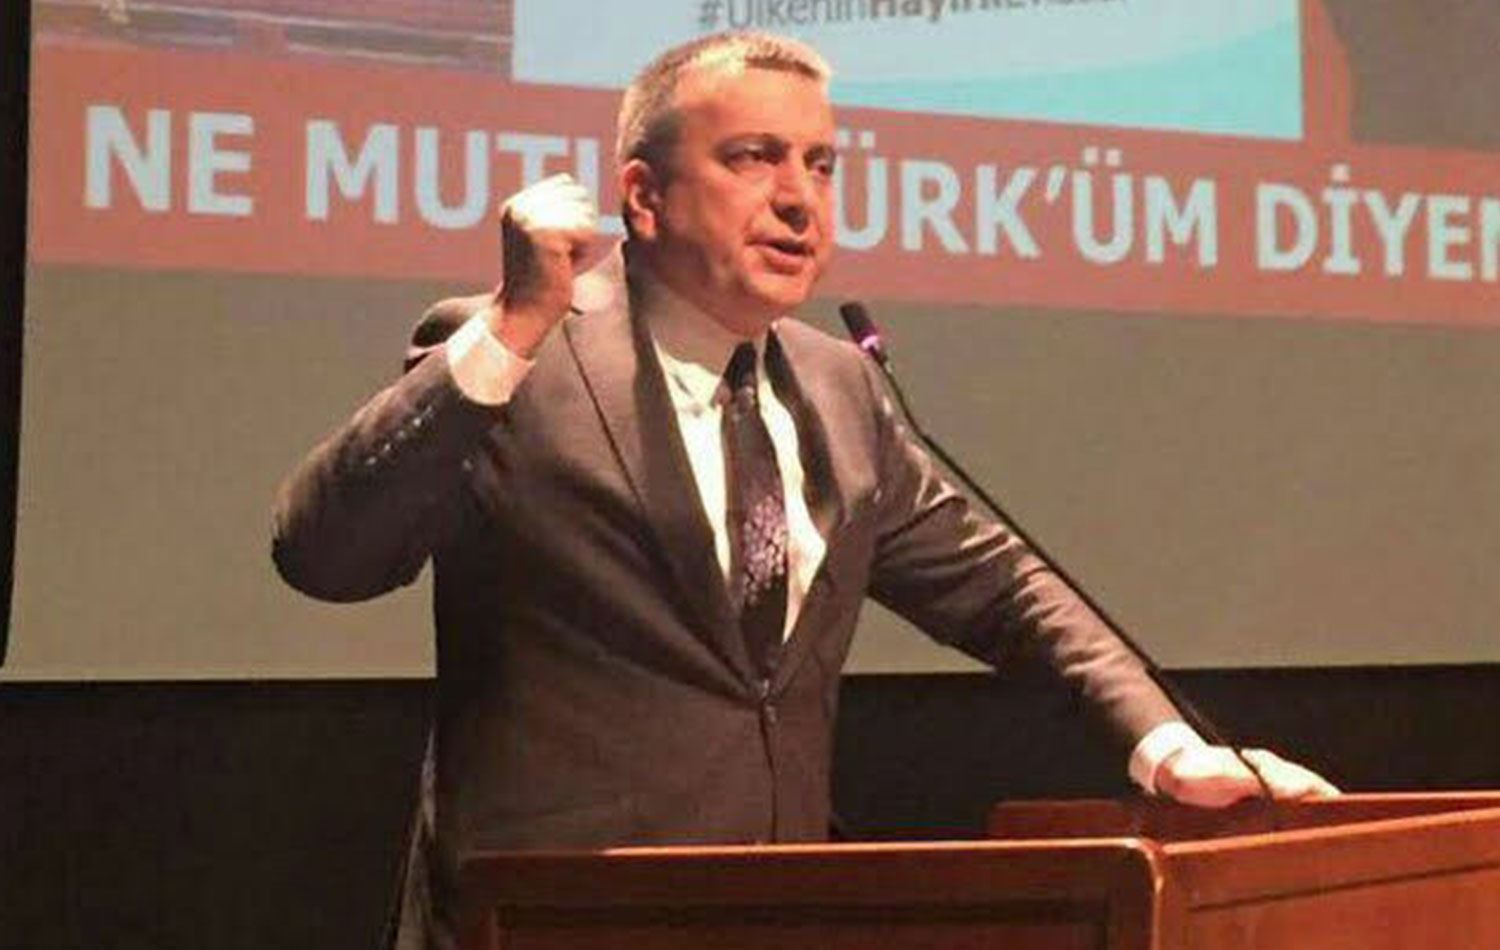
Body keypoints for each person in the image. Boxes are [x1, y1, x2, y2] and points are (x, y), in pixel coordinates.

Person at [272, 31, 1336, 950]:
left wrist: (1169, 748)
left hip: (777, 910)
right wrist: (510, 329)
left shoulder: (840, 387)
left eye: (820, 165)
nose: (798, 197)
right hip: (551, 919)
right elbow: (325, 554)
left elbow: (1004, 589)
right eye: (753, 157)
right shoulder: (516, 349)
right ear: (642, 195)